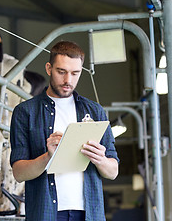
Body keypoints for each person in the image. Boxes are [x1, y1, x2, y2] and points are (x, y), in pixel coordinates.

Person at [9, 40, 119, 221]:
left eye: (75, 73)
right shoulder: (25, 112)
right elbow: (19, 173)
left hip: (89, 213)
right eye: (62, 72)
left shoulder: (95, 111)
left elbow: (113, 171)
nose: (68, 80)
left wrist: (100, 160)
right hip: (46, 214)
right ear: (48, 68)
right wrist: (48, 156)